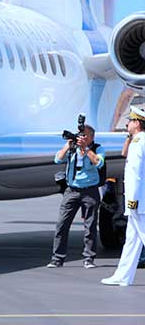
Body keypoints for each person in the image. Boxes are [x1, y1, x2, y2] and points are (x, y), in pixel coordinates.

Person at [47, 124, 105, 269]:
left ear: (91, 136)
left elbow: (99, 163)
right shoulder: (73, 149)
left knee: (90, 226)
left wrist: (85, 148)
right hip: (71, 190)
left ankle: (89, 258)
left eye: (84, 135)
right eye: (80, 135)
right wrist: (68, 146)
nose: (81, 138)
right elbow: (57, 159)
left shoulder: (97, 148)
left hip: (90, 191)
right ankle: (57, 259)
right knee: (62, 224)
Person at [101, 106, 145, 286]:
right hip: (138, 200)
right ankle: (123, 276)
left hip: (138, 201)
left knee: (141, 235)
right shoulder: (137, 141)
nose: (126, 123)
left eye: (130, 120)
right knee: (132, 241)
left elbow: (136, 174)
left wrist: (133, 201)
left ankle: (123, 276)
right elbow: (124, 154)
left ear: (137, 123)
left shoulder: (139, 143)